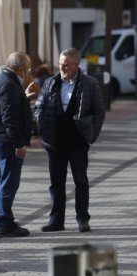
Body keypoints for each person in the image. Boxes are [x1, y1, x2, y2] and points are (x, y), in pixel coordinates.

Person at [34, 48, 105, 233]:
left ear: (76, 65)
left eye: (66, 65)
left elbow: (99, 111)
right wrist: (41, 126)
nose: (62, 68)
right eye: (60, 64)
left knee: (80, 181)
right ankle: (56, 220)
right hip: (54, 141)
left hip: (77, 141)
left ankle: (82, 218)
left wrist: (92, 134)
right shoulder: (50, 82)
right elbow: (39, 107)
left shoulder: (90, 84)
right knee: (56, 183)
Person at [0, 51, 33, 237]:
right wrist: (19, 144)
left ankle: (3, 219)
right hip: (8, 142)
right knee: (9, 183)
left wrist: (24, 97)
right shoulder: (8, 85)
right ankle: (5, 223)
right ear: (21, 69)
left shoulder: (3, 81)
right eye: (27, 69)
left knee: (3, 182)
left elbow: (11, 108)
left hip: (2, 140)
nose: (28, 73)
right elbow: (9, 118)